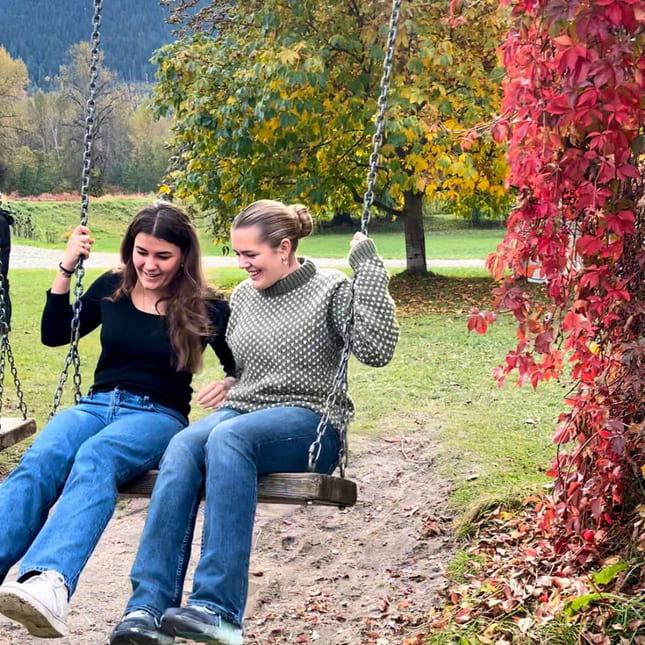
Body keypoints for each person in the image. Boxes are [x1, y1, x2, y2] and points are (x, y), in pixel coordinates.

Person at [109, 199, 399, 645]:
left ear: (284, 248)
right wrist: (232, 381)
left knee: (228, 438)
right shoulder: (244, 297)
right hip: (245, 412)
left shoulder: (331, 288)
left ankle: (218, 609)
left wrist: (369, 271)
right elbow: (250, 365)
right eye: (237, 254)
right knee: (184, 445)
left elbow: (377, 350)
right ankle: (147, 608)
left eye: (251, 255)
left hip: (311, 424)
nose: (242, 264)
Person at [0, 202, 235, 639]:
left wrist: (232, 384)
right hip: (96, 405)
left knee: (97, 457)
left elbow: (243, 366)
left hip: (157, 415)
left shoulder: (206, 307)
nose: (149, 264)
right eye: (141, 252)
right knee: (41, 458)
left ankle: (48, 580)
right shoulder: (112, 287)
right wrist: (67, 266)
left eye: (162, 256)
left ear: (184, 255)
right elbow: (55, 335)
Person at [0, 193, 14, 329]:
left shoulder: (1, 221)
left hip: (1, 264)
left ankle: (4, 322)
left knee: (2, 290)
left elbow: (3, 246)